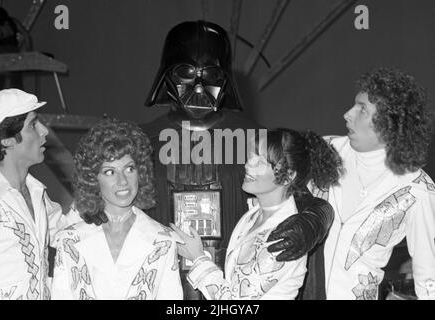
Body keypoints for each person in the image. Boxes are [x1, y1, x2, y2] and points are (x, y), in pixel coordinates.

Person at [142, 20, 334, 299]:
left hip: (235, 286)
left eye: (210, 75)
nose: (198, 86)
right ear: (166, 74)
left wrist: (315, 219)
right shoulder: (141, 141)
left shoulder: (255, 140)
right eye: (185, 72)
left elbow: (294, 189)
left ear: (225, 79)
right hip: (164, 285)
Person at [270, 68, 435, 300]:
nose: (348, 114)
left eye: (362, 109)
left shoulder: (417, 189)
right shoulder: (324, 152)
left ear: (390, 123)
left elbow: (428, 275)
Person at [171, 128, 342, 299]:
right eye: (250, 156)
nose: (247, 165)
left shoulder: (283, 238)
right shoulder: (254, 214)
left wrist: (197, 257)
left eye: (260, 162)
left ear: (288, 176)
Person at [51, 119, 183, 300]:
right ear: (92, 178)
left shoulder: (163, 241)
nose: (123, 181)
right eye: (110, 172)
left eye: (129, 169)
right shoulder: (68, 241)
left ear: (140, 171)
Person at [0, 89, 67, 300]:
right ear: (7, 140)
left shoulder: (37, 193)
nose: (44, 131)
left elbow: (67, 234)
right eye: (33, 124)